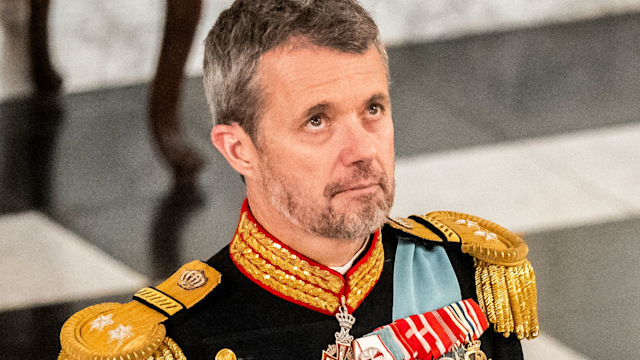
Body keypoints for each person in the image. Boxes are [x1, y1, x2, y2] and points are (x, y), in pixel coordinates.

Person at [57, 1, 538, 359]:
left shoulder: (464, 275)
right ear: (238, 149)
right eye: (317, 121)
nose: (363, 151)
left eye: (373, 109)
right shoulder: (178, 342)